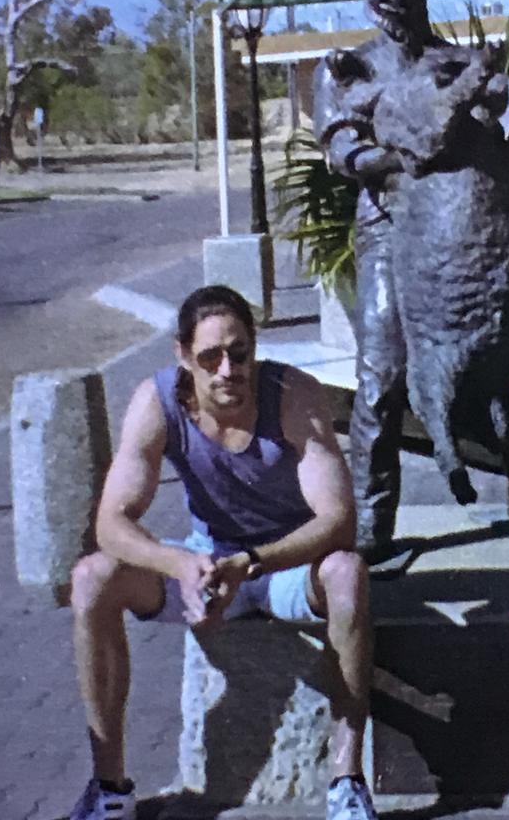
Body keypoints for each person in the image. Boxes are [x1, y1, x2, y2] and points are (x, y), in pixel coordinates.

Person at [68, 285, 379, 820]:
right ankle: (110, 788)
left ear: (255, 349)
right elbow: (111, 523)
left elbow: (337, 520)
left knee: (348, 575)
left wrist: (252, 563)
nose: (227, 370)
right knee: (93, 578)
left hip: (286, 565)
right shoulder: (158, 401)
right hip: (208, 562)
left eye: (239, 353)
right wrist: (180, 566)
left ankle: (346, 782)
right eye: (210, 357)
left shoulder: (292, 396)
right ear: (184, 356)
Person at [313, 0, 446, 561]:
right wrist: (402, 156)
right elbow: (343, 151)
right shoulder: (345, 67)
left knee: (498, 358)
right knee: (381, 376)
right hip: (388, 228)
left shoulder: (451, 62)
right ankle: (372, 526)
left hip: (453, 230)